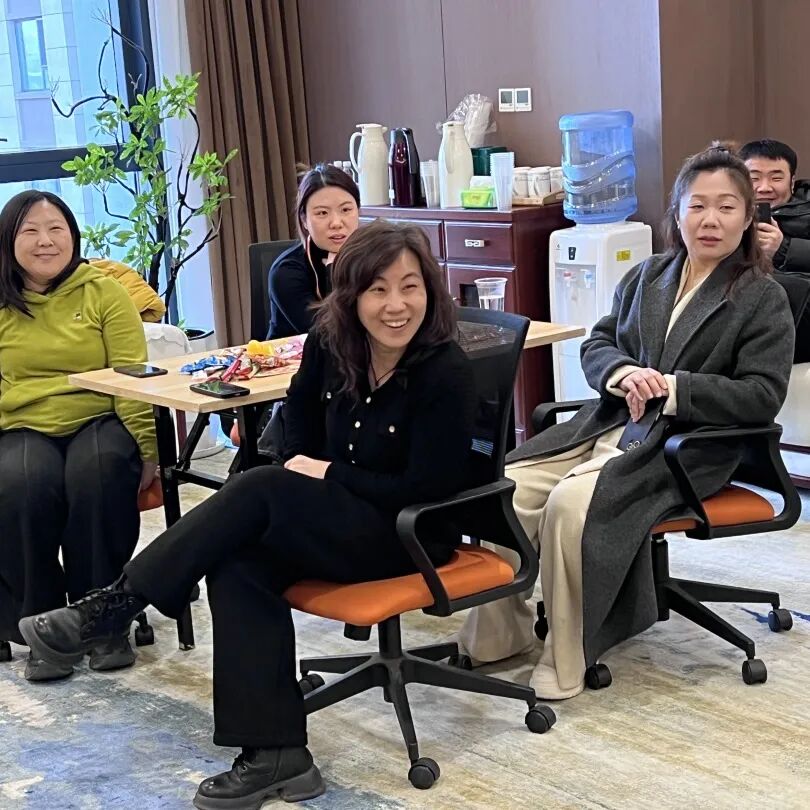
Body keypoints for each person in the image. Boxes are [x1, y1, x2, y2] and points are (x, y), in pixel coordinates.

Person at [20, 221, 475, 808]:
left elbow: (428, 485)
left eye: (411, 287)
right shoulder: (330, 344)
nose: (396, 305)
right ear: (351, 295)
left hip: (407, 533)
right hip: (334, 520)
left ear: (430, 290)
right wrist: (311, 472)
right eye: (378, 289)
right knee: (238, 561)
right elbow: (296, 429)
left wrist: (328, 474)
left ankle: (110, 607)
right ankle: (276, 754)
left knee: (259, 487)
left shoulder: (445, 370)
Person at [457, 145, 794, 700]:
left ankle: (568, 653)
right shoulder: (648, 276)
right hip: (607, 425)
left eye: (727, 207)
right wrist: (622, 373)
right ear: (677, 213)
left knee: (571, 504)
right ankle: (499, 634)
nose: (710, 219)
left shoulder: (763, 298)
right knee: (506, 487)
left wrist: (674, 389)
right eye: (697, 205)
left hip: (685, 447)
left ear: (747, 218)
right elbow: (598, 342)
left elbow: (762, 395)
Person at [0, 191, 158, 681]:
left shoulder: (104, 292)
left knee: (100, 473)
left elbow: (132, 375)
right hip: (21, 423)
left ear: (73, 236)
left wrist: (148, 450)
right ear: (8, 241)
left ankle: (101, 620)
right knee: (22, 484)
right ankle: (40, 626)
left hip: (100, 414)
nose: (45, 241)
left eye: (57, 229)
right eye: (30, 231)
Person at [266, 163, 360, 339]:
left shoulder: (372, 258)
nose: (336, 223)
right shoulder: (286, 271)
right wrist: (332, 271)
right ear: (304, 220)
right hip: (298, 355)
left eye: (346, 210)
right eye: (322, 213)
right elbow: (329, 335)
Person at [739, 139, 810, 362]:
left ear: (792, 182)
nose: (764, 187)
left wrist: (783, 248)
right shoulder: (726, 215)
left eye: (776, 178)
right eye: (754, 178)